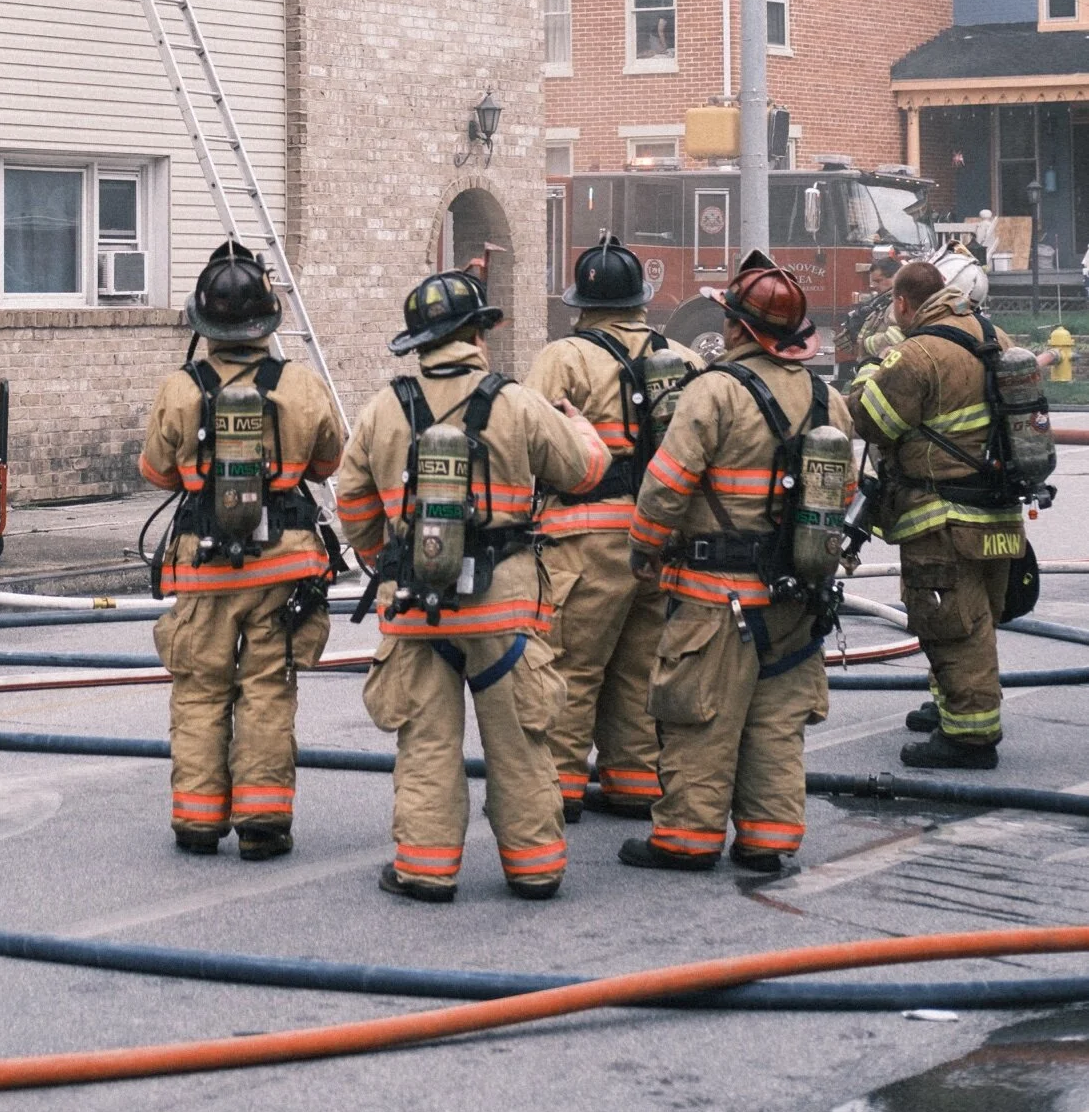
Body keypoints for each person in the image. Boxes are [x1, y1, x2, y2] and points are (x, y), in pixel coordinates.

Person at [337, 269, 610, 903]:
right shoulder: (513, 401)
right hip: (503, 608)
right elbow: (580, 471)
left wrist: (393, 560)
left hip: (415, 610)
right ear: (476, 334)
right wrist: (584, 427)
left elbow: (352, 504)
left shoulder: (384, 408)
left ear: (420, 344)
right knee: (520, 743)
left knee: (427, 745)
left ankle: (426, 871)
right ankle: (535, 868)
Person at [621, 251, 853, 876]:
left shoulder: (715, 392)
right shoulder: (827, 398)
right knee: (777, 724)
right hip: (798, 595)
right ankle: (767, 840)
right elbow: (845, 493)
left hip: (716, 596)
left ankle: (687, 841)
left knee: (700, 716)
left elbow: (666, 486)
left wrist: (643, 549)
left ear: (738, 330)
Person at [140, 240, 344, 859]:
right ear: (266, 320)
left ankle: (197, 822)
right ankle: (263, 822)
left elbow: (156, 472)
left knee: (200, 689)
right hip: (285, 566)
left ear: (204, 323)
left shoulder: (181, 387)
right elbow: (329, 460)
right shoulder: (301, 386)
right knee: (268, 688)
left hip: (203, 567)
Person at [530, 235, 699, 820]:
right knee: (640, 667)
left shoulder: (564, 358)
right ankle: (635, 782)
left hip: (583, 541)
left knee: (570, 666)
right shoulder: (683, 359)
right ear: (641, 300)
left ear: (581, 303)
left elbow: (535, 443)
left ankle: (555, 791)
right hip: (660, 540)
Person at [848, 256, 1024, 771]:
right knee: (974, 619)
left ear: (904, 303)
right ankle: (950, 704)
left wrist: (867, 365)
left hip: (943, 515)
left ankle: (970, 737)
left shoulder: (918, 353)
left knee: (952, 626)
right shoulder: (995, 336)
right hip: (998, 511)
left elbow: (871, 420)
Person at [835, 244, 904, 388]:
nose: (874, 286)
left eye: (879, 281)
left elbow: (895, 339)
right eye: (873, 281)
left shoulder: (897, 304)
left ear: (896, 277)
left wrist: (864, 343)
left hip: (885, 375)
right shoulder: (883, 303)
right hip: (873, 372)